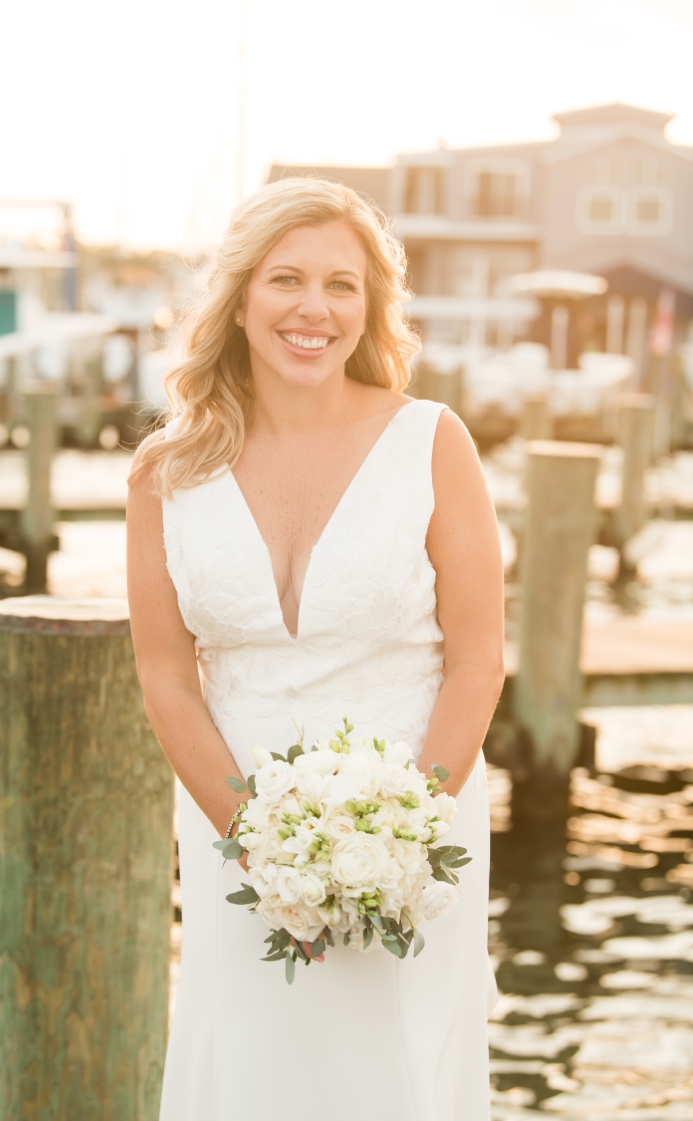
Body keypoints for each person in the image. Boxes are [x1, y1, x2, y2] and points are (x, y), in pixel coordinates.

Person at [126, 177, 502, 1119]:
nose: (314, 309)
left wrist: (405, 831)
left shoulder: (431, 441)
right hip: (235, 823)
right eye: (287, 279)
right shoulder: (166, 468)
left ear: (371, 305)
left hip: (419, 816)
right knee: (253, 1067)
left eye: (343, 285)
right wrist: (258, 845)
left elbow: (478, 659)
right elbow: (167, 678)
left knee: (397, 1069)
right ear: (241, 297)